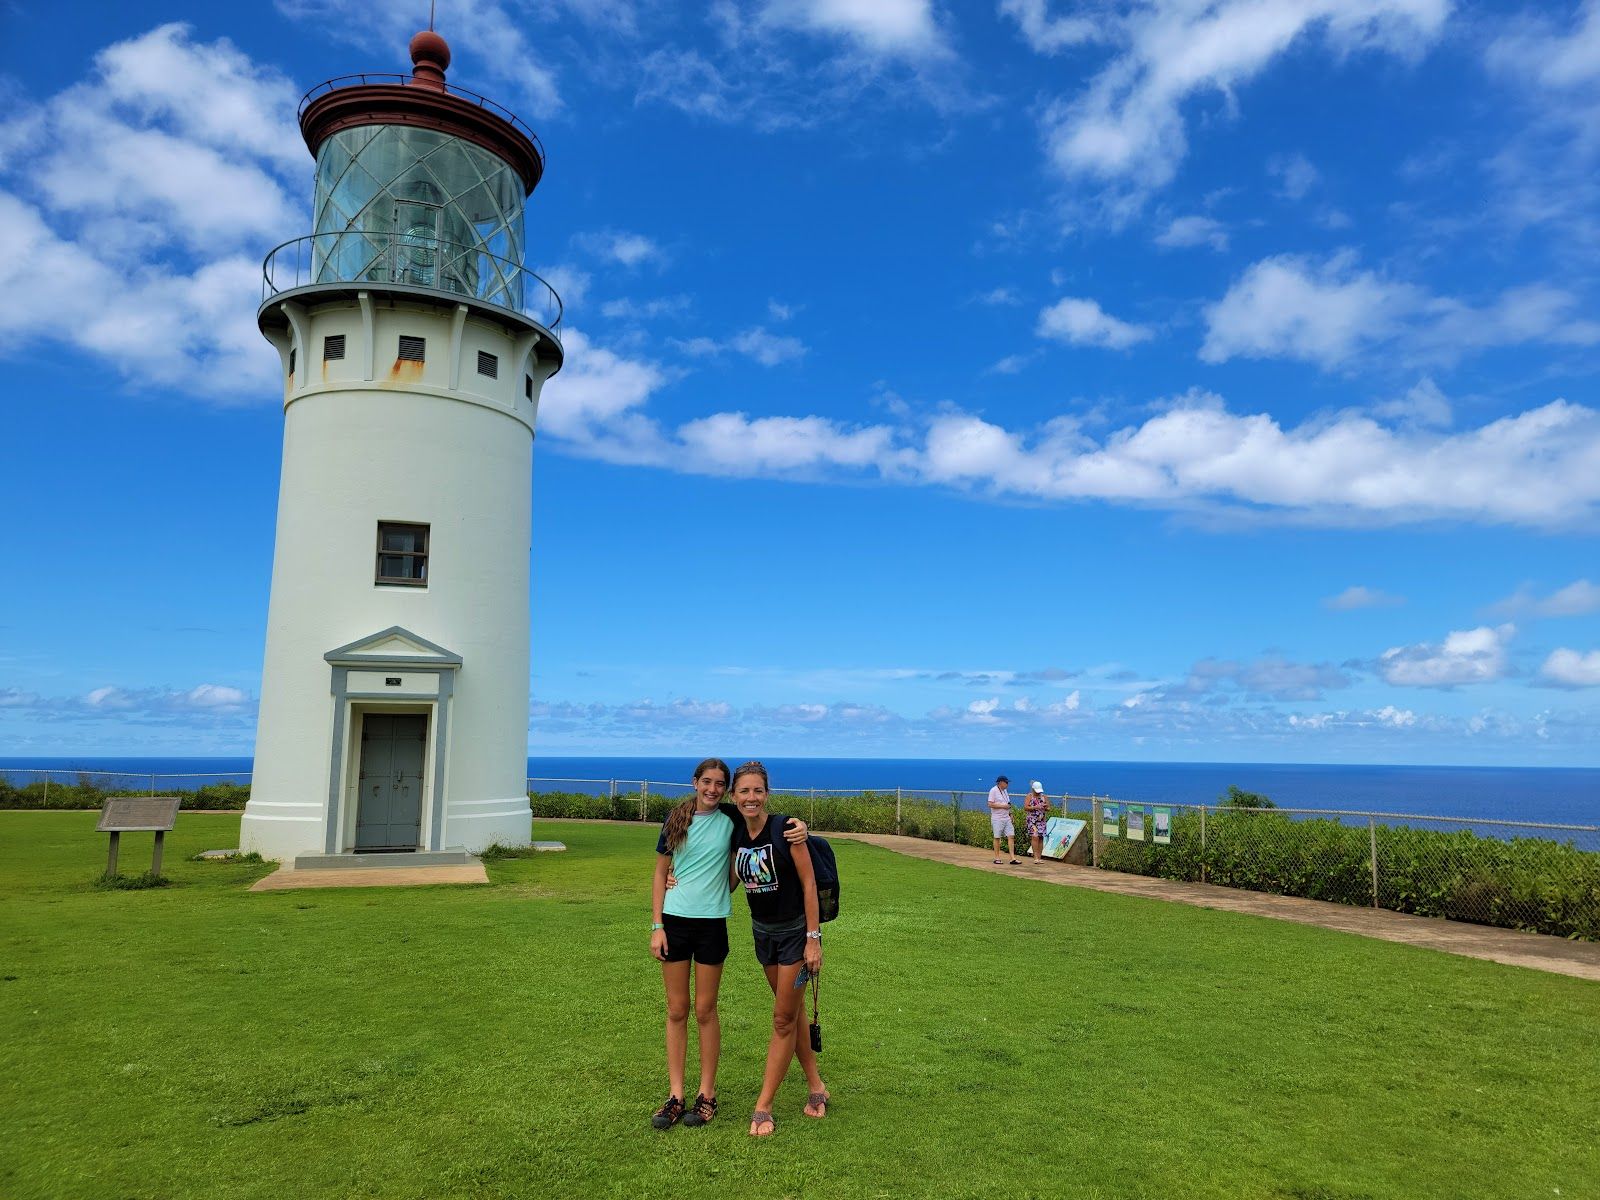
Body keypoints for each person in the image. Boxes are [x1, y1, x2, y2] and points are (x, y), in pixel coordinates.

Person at [649, 758, 807, 1131]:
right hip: (674, 922)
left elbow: (764, 822)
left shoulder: (732, 818)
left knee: (705, 1010)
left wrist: (801, 826)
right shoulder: (676, 820)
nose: (713, 789)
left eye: (720, 784)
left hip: (712, 925)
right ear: (695, 782)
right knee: (676, 1010)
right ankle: (675, 1096)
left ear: (727, 790)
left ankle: (707, 1095)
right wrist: (657, 925)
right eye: (707, 782)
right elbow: (659, 873)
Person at [728, 760, 828, 1137]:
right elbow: (730, 883)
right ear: (733, 796)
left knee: (782, 1019)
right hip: (762, 935)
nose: (751, 797)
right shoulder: (737, 832)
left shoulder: (786, 829)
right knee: (792, 1012)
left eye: (758, 790)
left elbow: (808, 885)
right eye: (744, 791)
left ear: (766, 794)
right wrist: (677, 878)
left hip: (795, 936)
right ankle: (816, 1086)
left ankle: (763, 1105)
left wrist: (813, 940)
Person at [987, 774, 1020, 865]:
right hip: (997, 818)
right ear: (1000, 782)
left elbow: (1008, 803)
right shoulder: (993, 790)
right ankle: (997, 858)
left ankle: (1012, 858)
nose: (1007, 784)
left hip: (1007, 817)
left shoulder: (1005, 791)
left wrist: (1011, 813)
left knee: (1011, 836)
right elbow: (990, 804)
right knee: (997, 837)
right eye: (1006, 782)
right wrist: (1003, 806)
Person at [1023, 780, 1049, 864]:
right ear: (1033, 789)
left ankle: (1039, 857)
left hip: (1041, 820)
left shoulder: (1044, 796)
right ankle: (1035, 857)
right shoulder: (1029, 796)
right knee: (1035, 836)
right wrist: (1035, 807)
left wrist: (1045, 807)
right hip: (1032, 820)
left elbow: (1049, 808)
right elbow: (1026, 807)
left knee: (1041, 838)